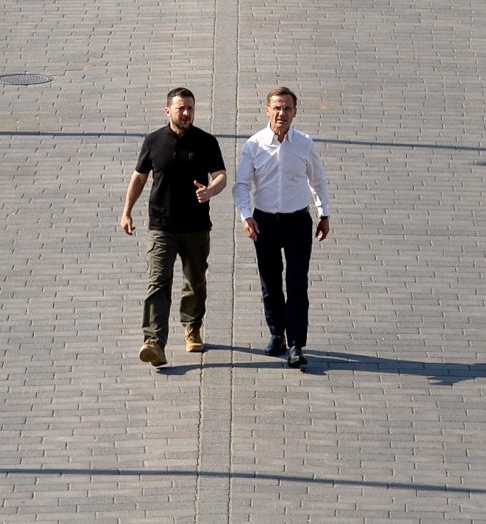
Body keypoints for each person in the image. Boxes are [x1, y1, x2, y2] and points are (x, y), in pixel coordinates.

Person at [121, 87, 227, 367]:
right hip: (161, 226)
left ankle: (192, 328)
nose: (186, 113)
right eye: (181, 108)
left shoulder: (206, 141)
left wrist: (210, 191)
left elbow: (220, 176)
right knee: (158, 283)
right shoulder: (153, 141)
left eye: (190, 108)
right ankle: (154, 341)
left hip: (196, 227)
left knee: (195, 282)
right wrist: (126, 212)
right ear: (168, 110)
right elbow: (139, 178)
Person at [233, 87, 330, 370]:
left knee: (297, 284)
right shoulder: (253, 145)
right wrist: (245, 216)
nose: (282, 113)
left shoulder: (304, 144)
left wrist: (324, 213)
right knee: (270, 282)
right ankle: (277, 333)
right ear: (267, 111)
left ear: (295, 112)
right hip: (264, 222)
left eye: (287, 108)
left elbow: (318, 180)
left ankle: (296, 343)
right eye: (277, 108)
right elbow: (241, 185)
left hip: (297, 221)